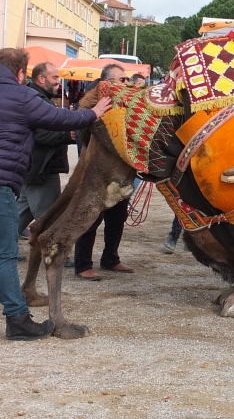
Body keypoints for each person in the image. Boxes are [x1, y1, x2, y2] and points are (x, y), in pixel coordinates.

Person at [0, 48, 110, 340]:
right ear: (22, 73)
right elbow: (57, 120)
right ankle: (17, 318)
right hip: (9, 181)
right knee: (6, 254)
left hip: (13, 182)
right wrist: (93, 113)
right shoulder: (23, 97)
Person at [74, 64, 134, 281]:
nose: (126, 84)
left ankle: (111, 258)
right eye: (122, 80)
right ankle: (82, 264)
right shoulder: (90, 107)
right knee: (91, 218)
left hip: (119, 172)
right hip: (96, 172)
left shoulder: (127, 106)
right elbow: (86, 140)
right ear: (106, 83)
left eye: (127, 80)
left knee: (117, 218)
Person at [15, 62, 77, 267]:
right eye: (55, 78)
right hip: (40, 168)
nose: (59, 82)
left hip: (33, 167)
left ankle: (3, 248)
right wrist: (68, 134)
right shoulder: (36, 100)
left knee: (19, 214)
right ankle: (55, 254)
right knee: (50, 214)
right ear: (41, 79)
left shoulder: (37, 98)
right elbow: (42, 133)